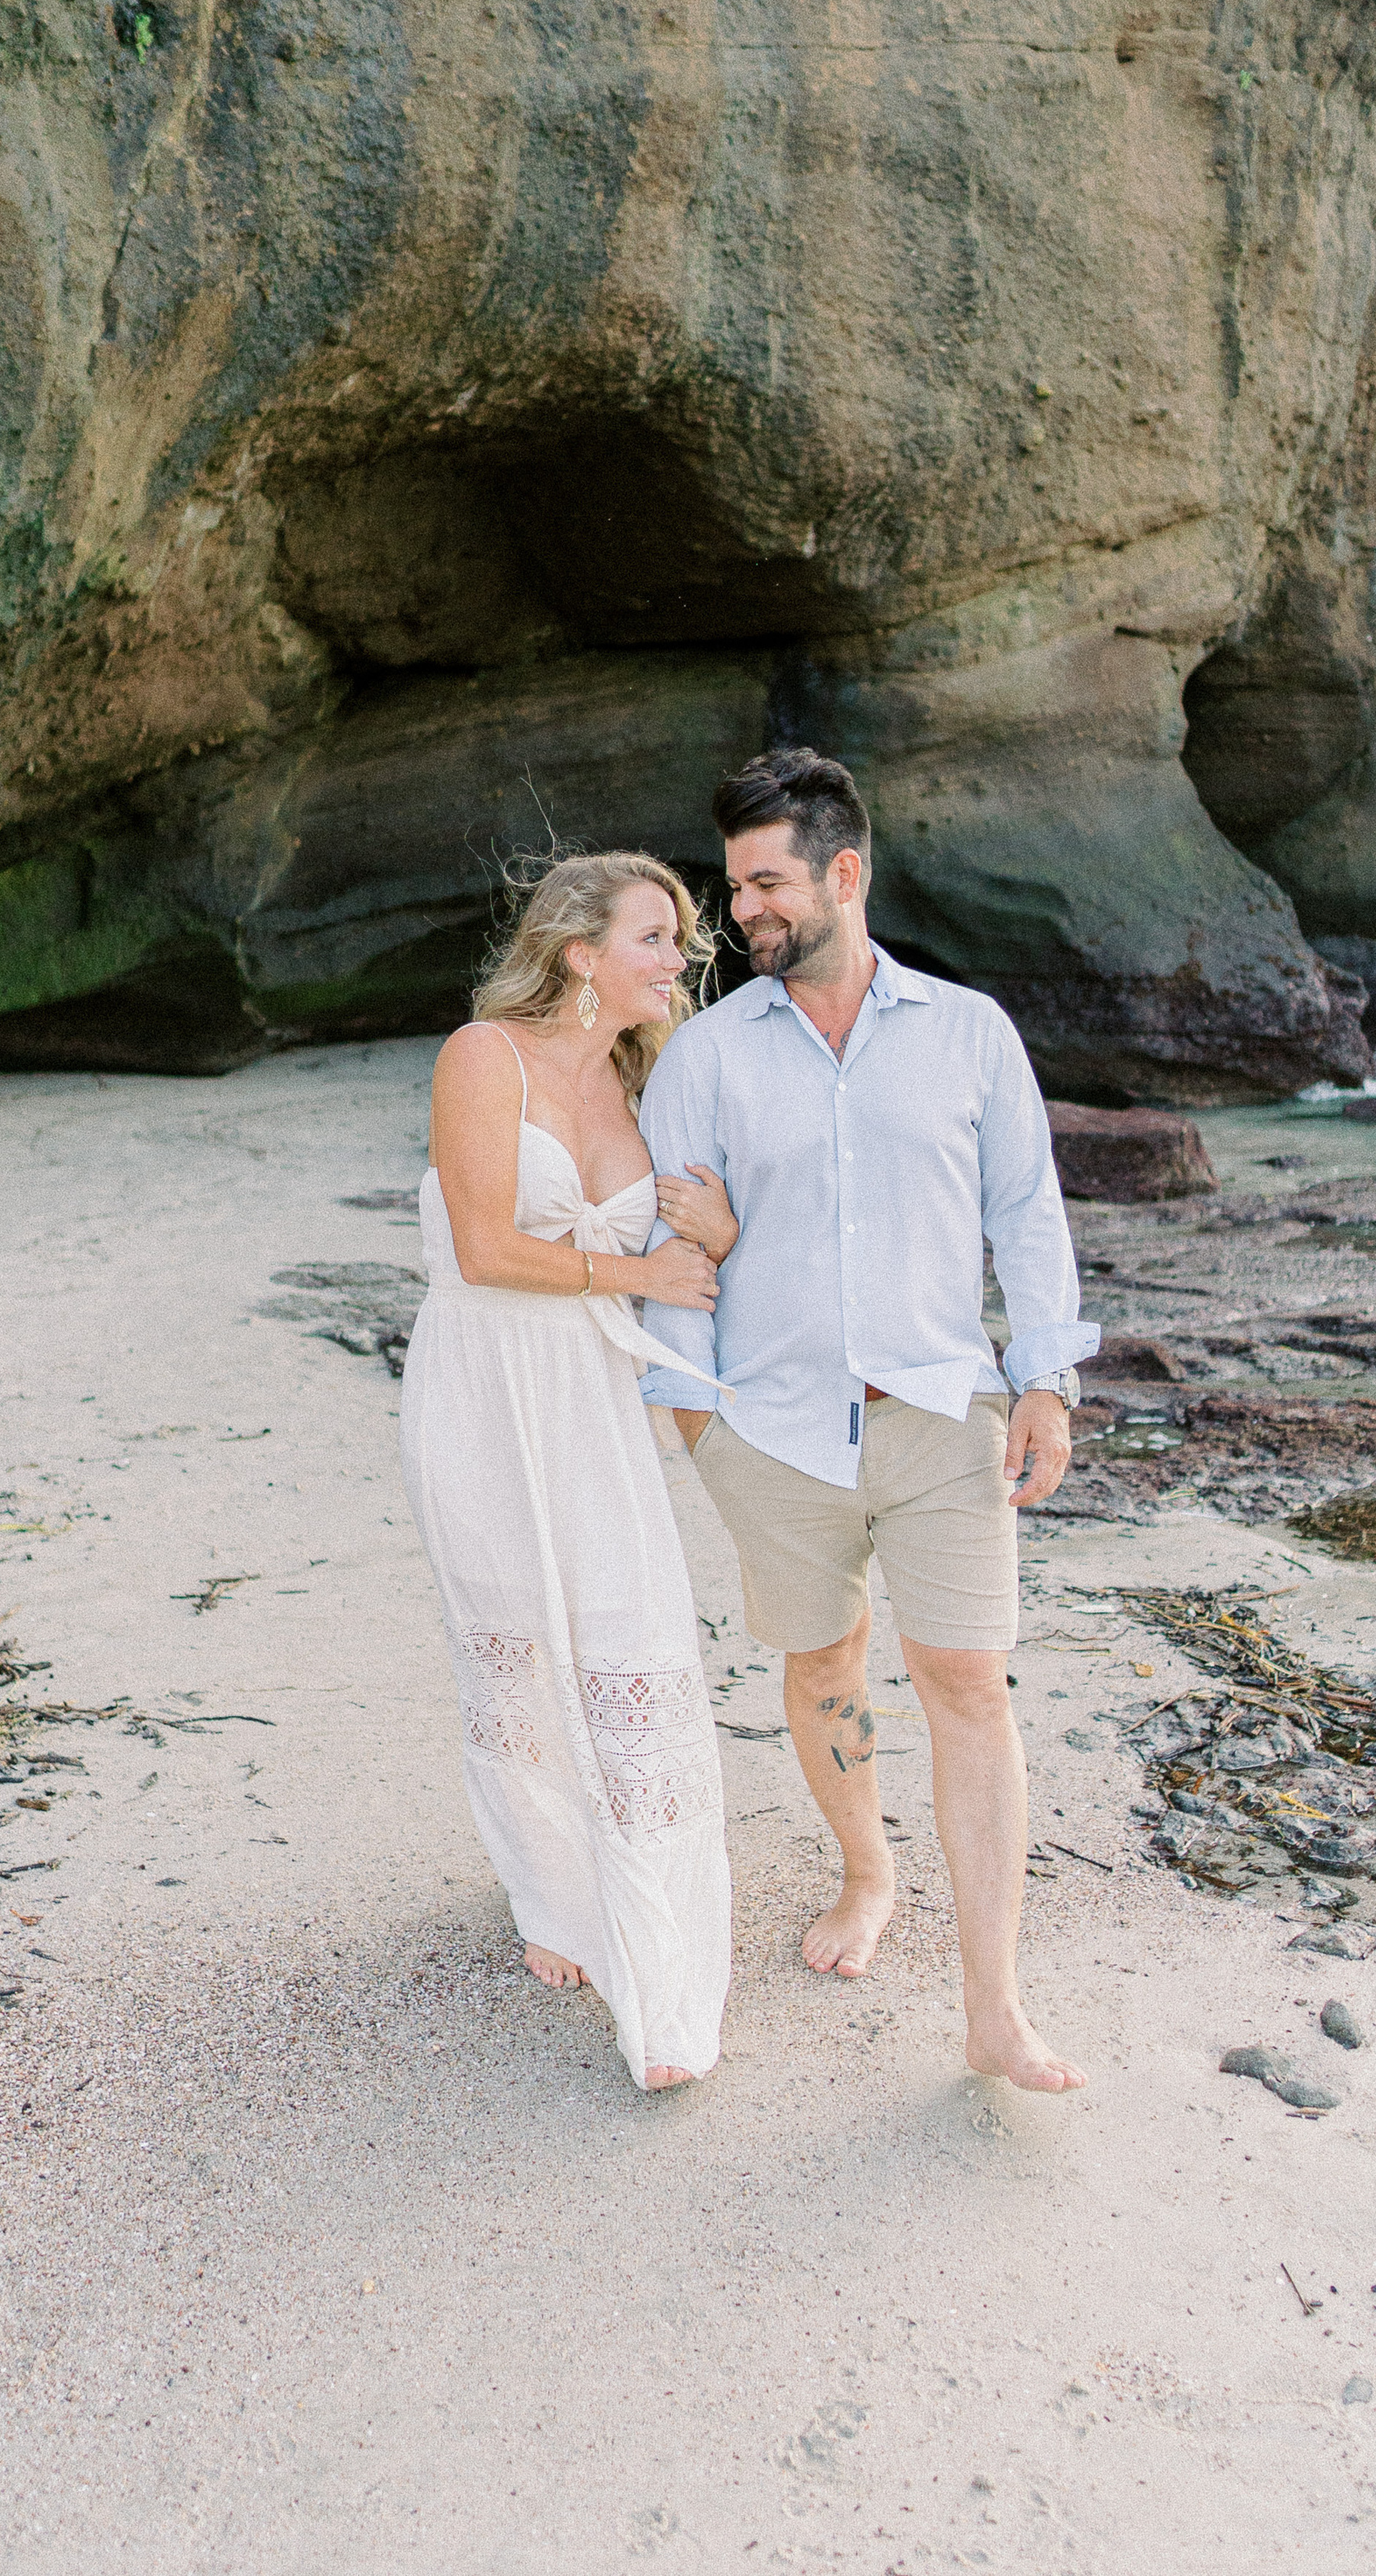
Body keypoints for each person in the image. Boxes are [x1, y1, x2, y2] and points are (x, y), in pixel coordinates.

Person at [639, 750, 1099, 2095]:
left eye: (769, 883)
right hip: (768, 1431)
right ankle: (865, 1871)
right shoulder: (709, 1057)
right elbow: (675, 1249)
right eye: (736, 889)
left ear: (848, 874)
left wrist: (1047, 1382)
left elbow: (1031, 1216)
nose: (747, 914)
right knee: (825, 1667)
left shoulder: (969, 1035)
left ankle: (996, 2007)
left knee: (969, 1683)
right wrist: (694, 1423)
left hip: (943, 1415)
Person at [400, 853, 741, 2092]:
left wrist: (710, 1237)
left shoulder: (650, 1077)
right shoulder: (481, 1057)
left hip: (598, 1398)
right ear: (581, 952)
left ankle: (658, 1949)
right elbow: (488, 1247)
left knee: (627, 1640)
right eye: (657, 936)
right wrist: (640, 1275)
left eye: (685, 938)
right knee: (514, 1639)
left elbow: (701, 1227)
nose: (681, 958)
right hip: (486, 1385)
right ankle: (552, 1897)